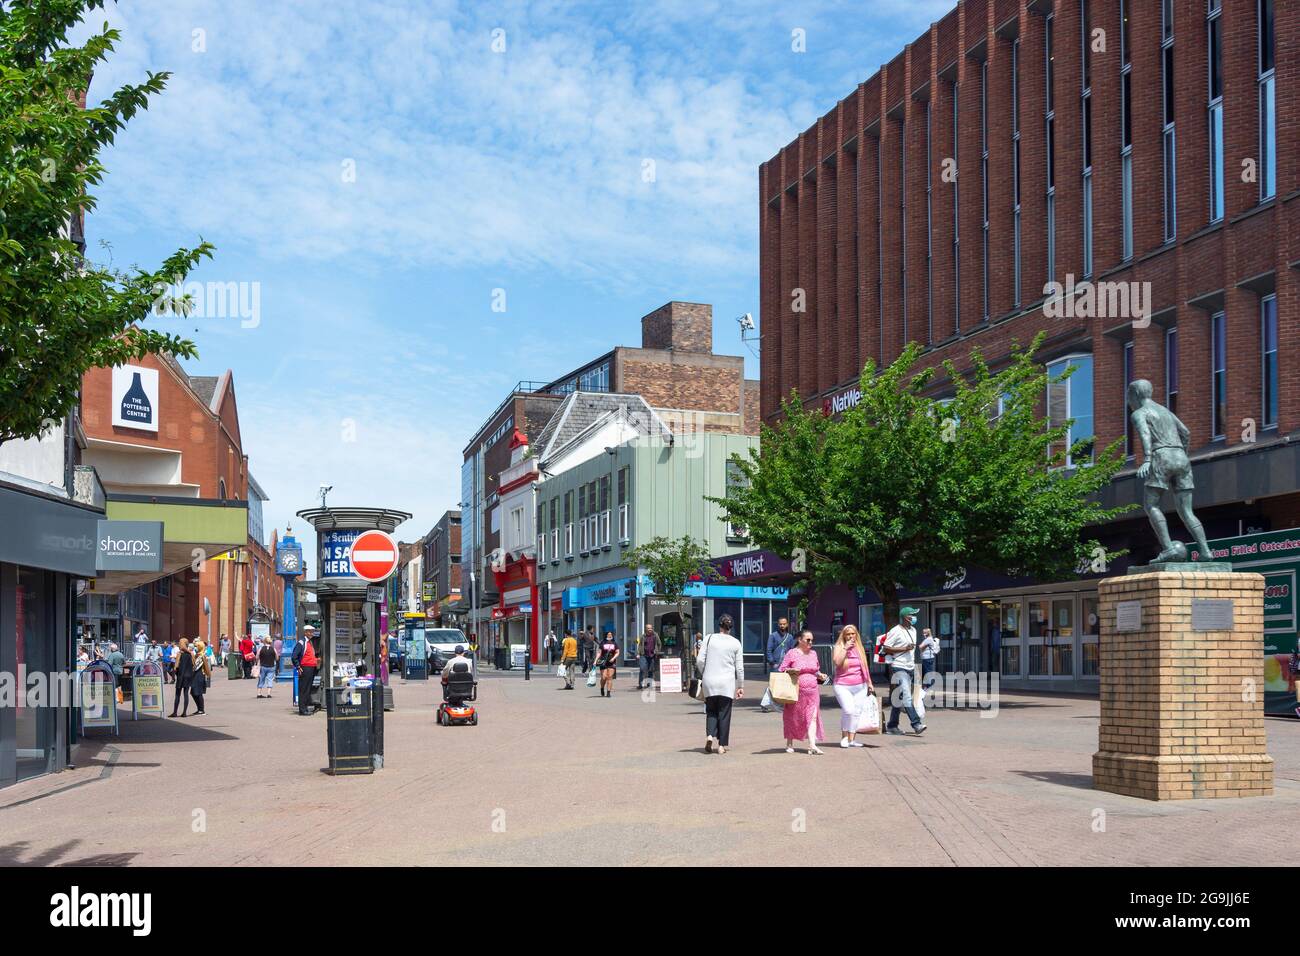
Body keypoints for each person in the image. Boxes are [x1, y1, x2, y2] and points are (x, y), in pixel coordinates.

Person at [697, 613, 745, 754]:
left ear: (719, 625)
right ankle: (722, 746)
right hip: (727, 683)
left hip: (709, 680)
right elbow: (739, 668)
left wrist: (704, 672)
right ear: (731, 627)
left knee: (711, 710)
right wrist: (740, 686)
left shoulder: (709, 638)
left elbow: (700, 660)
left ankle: (710, 735)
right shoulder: (736, 643)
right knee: (724, 713)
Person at [780, 629, 827, 754]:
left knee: (812, 717)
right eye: (808, 640)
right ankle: (789, 743)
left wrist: (820, 675)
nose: (811, 642)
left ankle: (812, 745)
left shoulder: (813, 654)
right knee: (793, 717)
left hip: (813, 692)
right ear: (800, 640)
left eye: (812, 640)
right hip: (795, 691)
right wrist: (792, 670)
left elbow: (815, 670)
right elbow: (782, 669)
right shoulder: (792, 653)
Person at [882, 607, 927, 736]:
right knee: (907, 696)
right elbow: (886, 649)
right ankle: (916, 724)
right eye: (912, 615)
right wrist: (903, 648)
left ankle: (892, 725)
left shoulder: (913, 630)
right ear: (906, 617)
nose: (914, 617)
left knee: (900, 697)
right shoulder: (895, 631)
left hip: (910, 667)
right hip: (899, 666)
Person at [832, 625, 875, 748]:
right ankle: (844, 737)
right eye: (848, 634)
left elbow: (865, 667)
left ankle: (852, 739)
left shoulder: (859, 648)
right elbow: (837, 662)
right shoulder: (839, 646)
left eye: (853, 634)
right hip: (842, 685)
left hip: (860, 685)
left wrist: (869, 683)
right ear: (844, 635)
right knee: (848, 710)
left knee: (856, 712)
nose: (851, 636)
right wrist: (845, 648)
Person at [762, 617, 795, 712]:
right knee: (773, 684)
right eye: (780, 624)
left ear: (787, 624)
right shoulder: (773, 636)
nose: (782, 626)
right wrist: (771, 661)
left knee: (784, 684)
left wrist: (792, 663)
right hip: (776, 664)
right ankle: (765, 704)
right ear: (778, 624)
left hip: (786, 665)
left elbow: (792, 650)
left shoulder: (790, 637)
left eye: (784, 624)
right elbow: (768, 650)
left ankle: (781, 704)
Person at [170, 638, 194, 717]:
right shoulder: (190, 654)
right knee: (185, 694)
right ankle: (184, 712)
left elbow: (176, 667)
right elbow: (193, 666)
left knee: (177, 695)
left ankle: (175, 712)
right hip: (188, 677)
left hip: (181, 676)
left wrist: (177, 673)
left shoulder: (180, 654)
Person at [297, 629, 320, 715]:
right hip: (305, 668)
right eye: (309, 632)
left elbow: (310, 655)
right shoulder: (302, 642)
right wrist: (298, 666)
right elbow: (294, 655)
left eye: (312, 632)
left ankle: (305, 708)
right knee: (304, 689)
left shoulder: (310, 643)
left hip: (311, 668)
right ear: (305, 633)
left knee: (307, 689)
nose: (311, 634)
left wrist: (316, 660)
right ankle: (302, 710)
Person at [190, 639, 211, 715]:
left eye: (197, 646)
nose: (195, 647)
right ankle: (199, 709)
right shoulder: (198, 655)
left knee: (198, 693)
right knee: (193, 692)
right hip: (196, 675)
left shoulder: (201, 656)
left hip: (199, 675)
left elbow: (195, 667)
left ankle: (201, 710)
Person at [596, 630, 619, 697]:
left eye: (611, 634)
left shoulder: (614, 643)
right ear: (606, 635)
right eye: (608, 634)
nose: (610, 635)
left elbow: (617, 652)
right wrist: (595, 661)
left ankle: (608, 692)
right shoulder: (602, 643)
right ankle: (602, 688)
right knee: (603, 677)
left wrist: (613, 658)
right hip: (603, 662)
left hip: (612, 662)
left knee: (609, 677)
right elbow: (599, 653)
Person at [638, 625, 658, 690]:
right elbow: (640, 645)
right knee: (642, 668)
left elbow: (659, 644)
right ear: (646, 629)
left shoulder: (655, 635)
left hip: (652, 655)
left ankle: (649, 684)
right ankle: (640, 684)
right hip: (643, 655)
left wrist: (656, 651)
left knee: (651, 670)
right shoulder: (643, 636)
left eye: (651, 628)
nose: (650, 629)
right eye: (648, 628)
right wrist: (638, 653)